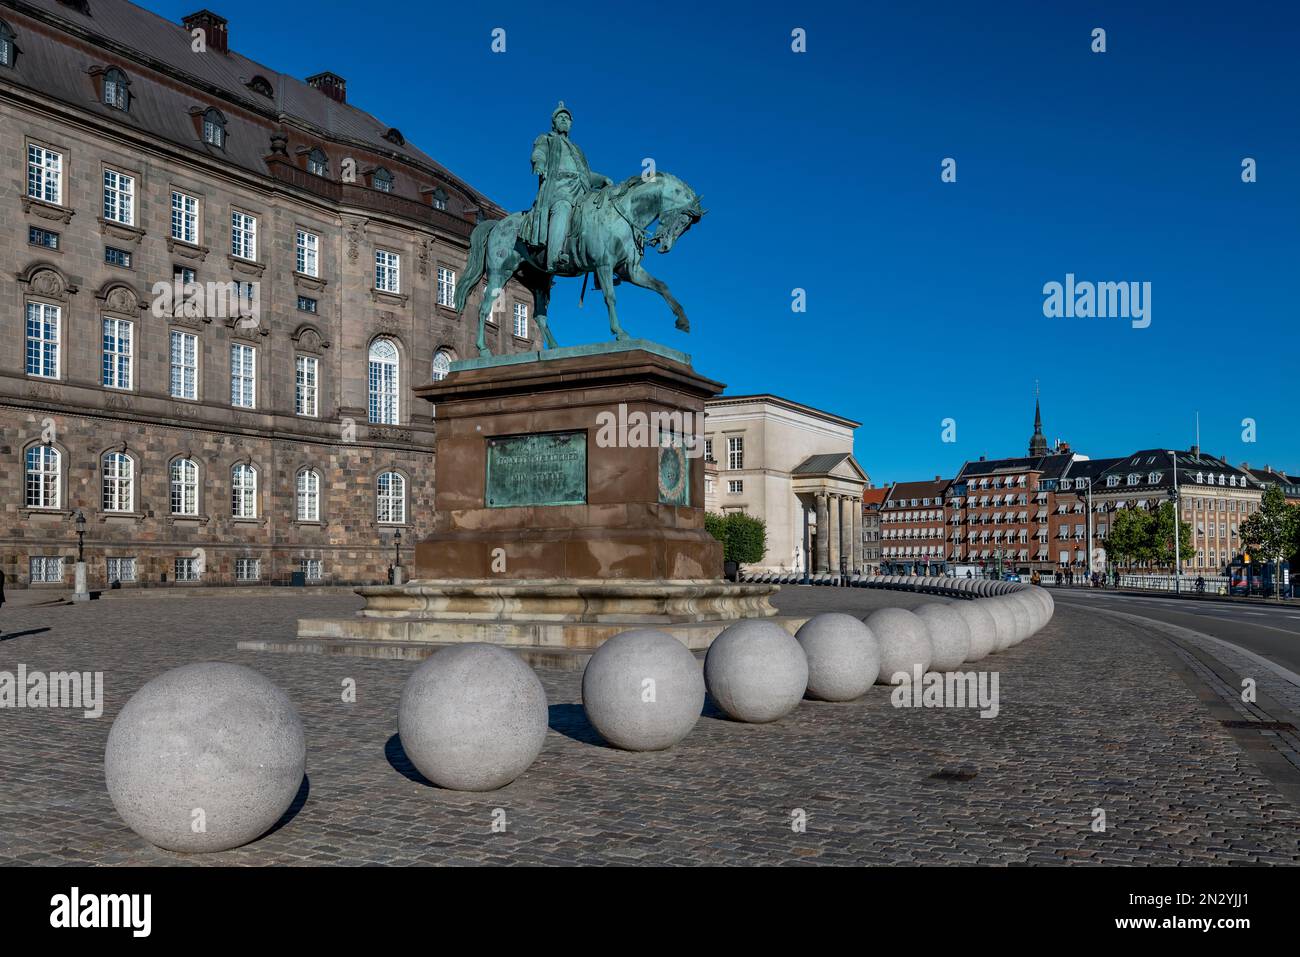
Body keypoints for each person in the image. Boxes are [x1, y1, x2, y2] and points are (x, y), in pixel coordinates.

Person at [526, 102, 613, 272]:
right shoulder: (547, 139)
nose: (565, 120)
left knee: (597, 212)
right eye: (561, 118)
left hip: (581, 190)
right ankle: (554, 257)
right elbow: (539, 152)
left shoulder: (577, 149)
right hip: (559, 188)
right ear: (554, 123)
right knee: (563, 207)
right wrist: (539, 163)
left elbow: (587, 174)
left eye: (567, 118)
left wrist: (603, 179)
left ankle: (601, 262)